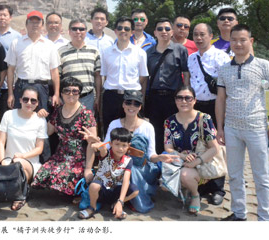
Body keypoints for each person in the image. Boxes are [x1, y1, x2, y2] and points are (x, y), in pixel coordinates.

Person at [216, 24, 269, 221]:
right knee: (235, 175)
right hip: (231, 128)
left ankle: (265, 218)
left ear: (251, 41)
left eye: (242, 40)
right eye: (234, 40)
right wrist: (220, 128)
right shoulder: (224, 69)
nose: (238, 44)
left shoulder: (263, 65)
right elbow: (221, 99)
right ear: (230, 42)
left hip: (257, 129)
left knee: (262, 176)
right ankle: (239, 213)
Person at [82, 90, 177, 213]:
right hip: (116, 164)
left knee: (131, 169)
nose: (132, 106)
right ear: (123, 104)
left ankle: (128, 200)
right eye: (128, 102)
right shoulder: (115, 124)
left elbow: (151, 154)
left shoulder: (147, 127)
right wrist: (96, 142)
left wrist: (159, 158)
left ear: (140, 107)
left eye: (136, 104)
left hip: (139, 167)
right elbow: (106, 147)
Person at [32, 77, 96, 199]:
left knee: (61, 178)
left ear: (79, 93)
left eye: (74, 91)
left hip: (78, 158)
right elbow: (48, 131)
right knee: (41, 175)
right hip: (60, 156)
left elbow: (92, 143)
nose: (70, 94)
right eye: (67, 90)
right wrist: (39, 115)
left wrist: (88, 169)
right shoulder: (57, 111)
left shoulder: (86, 114)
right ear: (61, 93)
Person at [188, 23, 230, 205]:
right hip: (197, 106)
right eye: (195, 34)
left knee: (217, 146)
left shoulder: (221, 57)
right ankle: (203, 184)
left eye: (202, 34)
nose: (198, 38)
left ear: (211, 36)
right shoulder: (191, 58)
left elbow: (227, 85)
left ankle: (218, 188)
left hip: (215, 106)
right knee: (200, 146)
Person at [164, 85, 220, 215]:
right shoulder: (169, 122)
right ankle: (185, 187)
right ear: (175, 100)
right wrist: (183, 157)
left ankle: (195, 195)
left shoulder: (204, 119)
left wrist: (196, 161)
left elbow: (214, 148)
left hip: (202, 164)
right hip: (180, 161)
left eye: (188, 98)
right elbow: (168, 148)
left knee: (185, 175)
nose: (183, 101)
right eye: (179, 98)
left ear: (194, 100)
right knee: (164, 182)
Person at [0, 86, 48, 211]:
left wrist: (22, 156)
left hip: (30, 163)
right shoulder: (8, 115)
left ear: (37, 103)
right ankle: (20, 190)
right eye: (26, 99)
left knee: (18, 163)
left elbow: (39, 148)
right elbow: (1, 142)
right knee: (14, 165)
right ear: (20, 100)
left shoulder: (40, 120)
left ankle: (19, 196)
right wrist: (2, 161)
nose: (29, 103)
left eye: (33, 100)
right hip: (8, 161)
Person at [145, 18, 190, 154]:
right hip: (154, 97)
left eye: (167, 29)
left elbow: (186, 73)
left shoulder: (180, 50)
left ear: (172, 32)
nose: (163, 31)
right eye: (160, 29)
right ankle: (158, 160)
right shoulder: (148, 53)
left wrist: (186, 95)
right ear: (155, 33)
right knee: (157, 130)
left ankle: (176, 159)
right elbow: (145, 77)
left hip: (173, 97)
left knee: (175, 129)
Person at [100, 17, 148, 136]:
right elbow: (104, 75)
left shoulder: (140, 53)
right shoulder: (106, 52)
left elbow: (143, 76)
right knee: (110, 130)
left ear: (132, 32)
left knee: (130, 132)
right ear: (115, 31)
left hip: (131, 97)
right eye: (120, 28)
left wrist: (132, 88)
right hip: (111, 96)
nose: (123, 31)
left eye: (127, 29)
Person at [79, 127, 139, 219]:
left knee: (135, 191)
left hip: (115, 192)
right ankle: (92, 207)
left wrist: (120, 201)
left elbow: (126, 181)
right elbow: (102, 148)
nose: (120, 148)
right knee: (94, 185)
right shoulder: (106, 154)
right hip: (102, 190)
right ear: (110, 143)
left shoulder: (128, 160)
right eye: (117, 144)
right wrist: (95, 140)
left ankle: (116, 204)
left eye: (124, 145)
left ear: (128, 146)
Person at [58, 18, 101, 113]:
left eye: (81, 29)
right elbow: (58, 76)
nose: (78, 32)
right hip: (68, 98)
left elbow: (97, 76)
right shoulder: (60, 52)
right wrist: (58, 95)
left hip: (88, 98)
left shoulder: (94, 51)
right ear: (69, 31)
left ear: (86, 32)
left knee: (87, 123)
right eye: (74, 29)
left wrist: (98, 97)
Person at [0, 5, 21, 119]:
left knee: (6, 115)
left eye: (5, 15)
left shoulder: (17, 37)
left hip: (9, 84)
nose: (2, 18)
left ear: (10, 17)